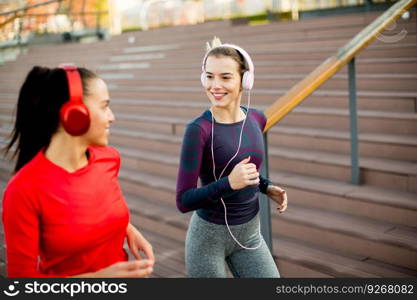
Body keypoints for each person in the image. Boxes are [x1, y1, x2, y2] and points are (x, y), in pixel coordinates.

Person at [2, 64, 155, 278]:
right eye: (104, 107)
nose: (112, 117)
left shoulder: (108, 158)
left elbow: (87, 211)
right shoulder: (23, 190)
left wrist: (127, 228)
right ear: (75, 114)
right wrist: (98, 280)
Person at [176, 37, 288, 278]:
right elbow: (183, 200)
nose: (215, 85)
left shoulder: (257, 119)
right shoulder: (198, 130)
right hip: (208, 240)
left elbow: (244, 167)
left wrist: (265, 186)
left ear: (245, 80)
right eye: (209, 76)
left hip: (250, 233)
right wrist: (229, 183)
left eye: (225, 77)